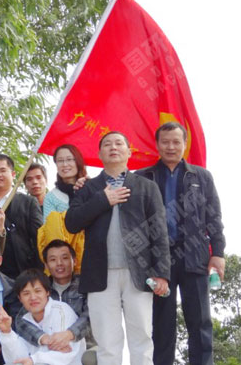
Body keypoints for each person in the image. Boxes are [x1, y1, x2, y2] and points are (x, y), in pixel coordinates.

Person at [65, 131, 171, 365]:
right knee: (107, 341)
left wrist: (162, 273)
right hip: (100, 274)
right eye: (107, 144)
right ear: (99, 153)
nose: (113, 147)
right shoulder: (88, 188)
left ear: (129, 152)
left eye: (119, 143)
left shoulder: (146, 186)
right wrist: (103, 200)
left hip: (139, 273)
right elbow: (71, 223)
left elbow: (160, 232)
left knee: (142, 337)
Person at [136, 122, 225, 365]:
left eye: (176, 142)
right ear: (157, 145)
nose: (171, 147)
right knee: (161, 324)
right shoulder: (143, 177)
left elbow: (214, 217)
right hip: (158, 261)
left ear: (185, 144)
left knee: (200, 321)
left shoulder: (201, 177)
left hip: (194, 256)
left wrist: (218, 253)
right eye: (165, 142)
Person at [15, 239, 97, 365]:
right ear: (46, 265)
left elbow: (91, 316)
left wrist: (70, 334)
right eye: (53, 260)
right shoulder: (41, 288)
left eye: (65, 258)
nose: (59, 263)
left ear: (74, 261)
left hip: (86, 348)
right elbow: (21, 320)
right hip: (50, 350)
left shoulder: (86, 286)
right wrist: (44, 338)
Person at [0, 268, 86, 365]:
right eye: (26, 293)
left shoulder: (61, 311)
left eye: (38, 291)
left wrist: (33, 360)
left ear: (47, 292)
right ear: (20, 298)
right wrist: (7, 332)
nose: (33, 297)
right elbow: (17, 359)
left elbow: (65, 355)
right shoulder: (24, 319)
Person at [38, 144, 88, 274]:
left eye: (69, 159)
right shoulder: (52, 197)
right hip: (66, 259)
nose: (65, 164)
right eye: (60, 161)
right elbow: (50, 229)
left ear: (78, 161)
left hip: (92, 253)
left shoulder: (91, 188)